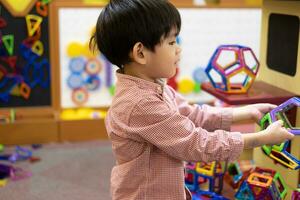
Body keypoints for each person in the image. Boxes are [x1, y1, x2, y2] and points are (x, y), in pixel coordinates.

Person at [90, 0, 294, 199]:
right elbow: (196, 144)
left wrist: (246, 113)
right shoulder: (140, 104)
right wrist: (260, 139)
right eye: (171, 42)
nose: (178, 49)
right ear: (140, 53)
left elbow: (192, 114)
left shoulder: (156, 87)